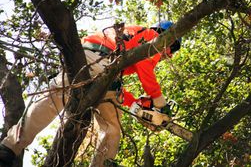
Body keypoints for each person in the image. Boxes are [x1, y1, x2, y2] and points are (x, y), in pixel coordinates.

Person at [0, 21, 181, 166]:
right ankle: (9, 148)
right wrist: (160, 103)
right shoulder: (154, 38)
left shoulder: (131, 37)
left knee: (109, 127)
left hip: (97, 65)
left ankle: (9, 147)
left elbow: (112, 81)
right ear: (167, 35)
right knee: (106, 126)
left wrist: (136, 105)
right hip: (97, 60)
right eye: (172, 48)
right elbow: (145, 70)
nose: (170, 55)